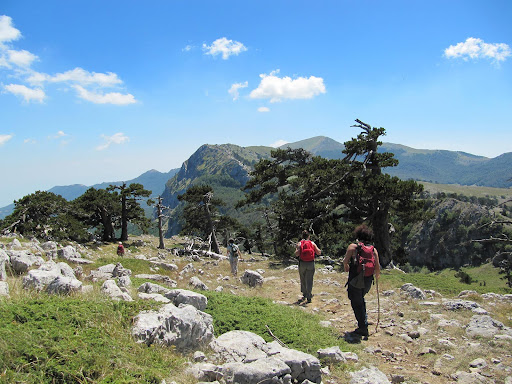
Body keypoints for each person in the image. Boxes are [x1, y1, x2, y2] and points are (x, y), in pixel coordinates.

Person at [343, 224, 381, 338]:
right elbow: (378, 267)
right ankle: (363, 323)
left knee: (356, 302)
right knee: (360, 300)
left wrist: (346, 267)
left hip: (356, 280)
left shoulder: (353, 247)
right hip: (368, 280)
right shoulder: (373, 249)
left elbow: (345, 261)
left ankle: (363, 327)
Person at [295, 230, 321, 304]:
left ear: (302, 236)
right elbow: (318, 252)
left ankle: (304, 293)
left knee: (302, 278)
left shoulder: (300, 243)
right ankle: (309, 295)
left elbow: (296, 254)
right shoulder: (312, 243)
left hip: (302, 263)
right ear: (309, 236)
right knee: (309, 279)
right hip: (311, 263)